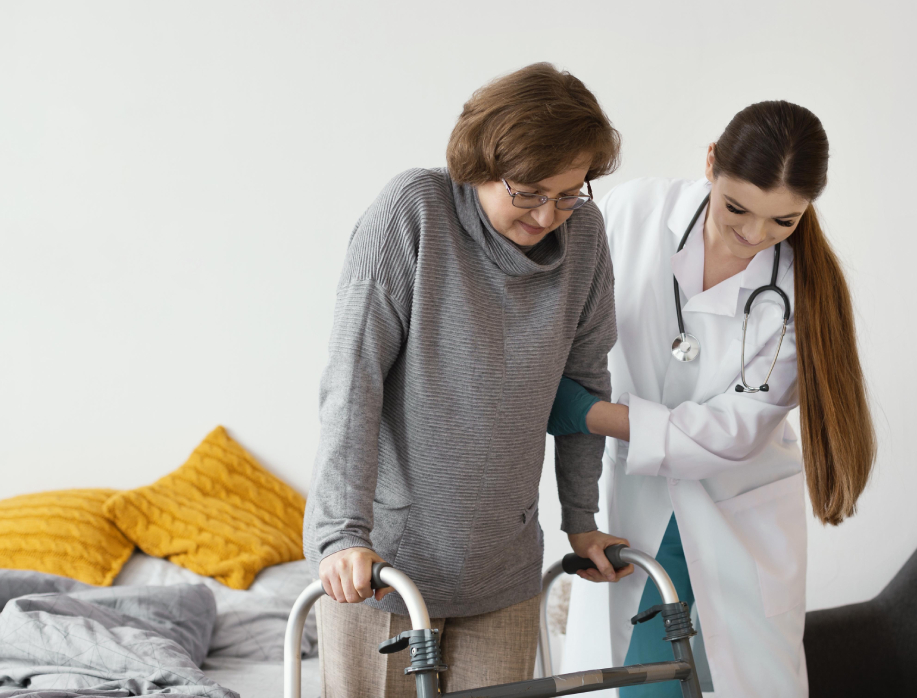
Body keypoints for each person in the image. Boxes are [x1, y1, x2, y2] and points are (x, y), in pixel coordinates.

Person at [304, 63, 632, 697]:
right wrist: (342, 533)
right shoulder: (413, 213)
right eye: (530, 192)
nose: (548, 216)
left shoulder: (586, 238)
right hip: (382, 571)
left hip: (500, 571)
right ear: (481, 163)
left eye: (570, 193)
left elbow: (586, 382)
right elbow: (353, 383)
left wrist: (581, 518)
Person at [552, 101, 877, 697]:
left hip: (735, 514)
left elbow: (730, 433)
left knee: (729, 679)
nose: (754, 235)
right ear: (710, 164)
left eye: (784, 221)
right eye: (737, 208)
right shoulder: (631, 214)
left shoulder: (800, 294)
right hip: (636, 503)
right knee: (635, 680)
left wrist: (590, 414)